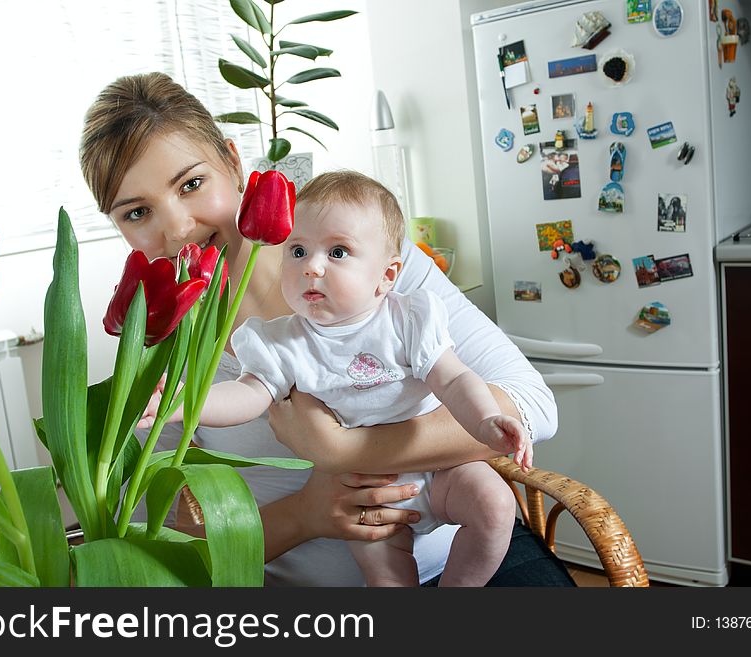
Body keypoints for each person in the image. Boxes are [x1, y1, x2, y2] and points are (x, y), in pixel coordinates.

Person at [80, 71, 568, 586]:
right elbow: (169, 539)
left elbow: (532, 406)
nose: (177, 228)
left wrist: (341, 450)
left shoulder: (368, 261)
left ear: (231, 160)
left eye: (192, 184)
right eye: (137, 212)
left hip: (459, 561)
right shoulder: (162, 348)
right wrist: (307, 514)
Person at [144, 171, 531, 586]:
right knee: (385, 577)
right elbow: (247, 395)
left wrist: (486, 420)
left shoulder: (409, 318)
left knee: (495, 505)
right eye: (297, 251)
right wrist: (187, 403)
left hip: (438, 471)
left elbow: (454, 381)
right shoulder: (281, 341)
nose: (311, 267)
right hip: (359, 493)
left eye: (338, 252)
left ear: (386, 275)